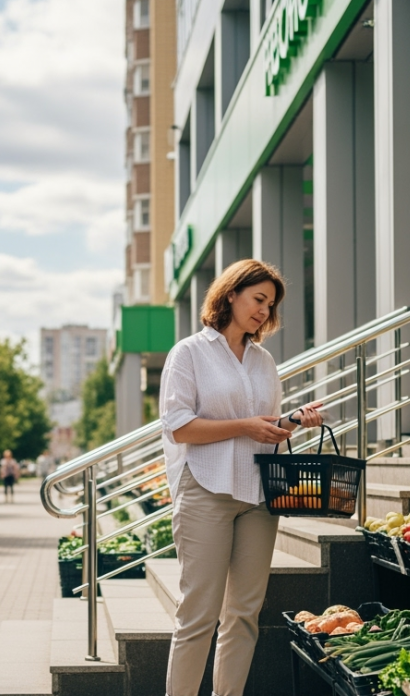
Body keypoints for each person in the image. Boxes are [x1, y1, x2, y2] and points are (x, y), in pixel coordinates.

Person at [158, 259, 323, 696]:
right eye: (258, 299)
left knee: (244, 612)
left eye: (270, 305)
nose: (264, 311)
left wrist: (293, 421)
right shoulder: (189, 353)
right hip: (206, 489)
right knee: (199, 614)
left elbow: (265, 427)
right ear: (230, 294)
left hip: (257, 493)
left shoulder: (263, 360)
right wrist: (245, 425)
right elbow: (178, 426)